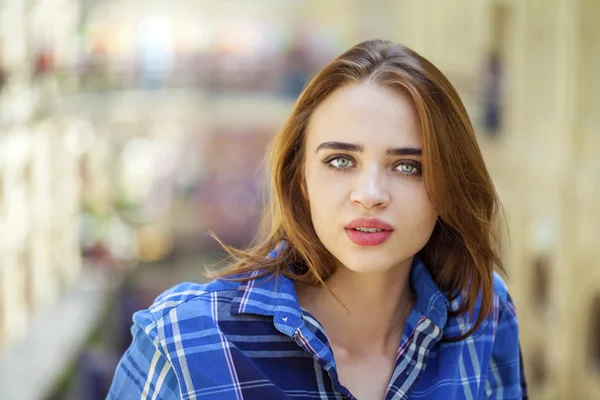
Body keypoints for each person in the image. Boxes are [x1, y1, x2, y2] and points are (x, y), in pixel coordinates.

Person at [107, 40, 527, 400]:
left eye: (408, 167)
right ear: (300, 177)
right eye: (341, 161)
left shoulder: (483, 316)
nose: (370, 195)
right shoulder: (183, 344)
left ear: (450, 183)